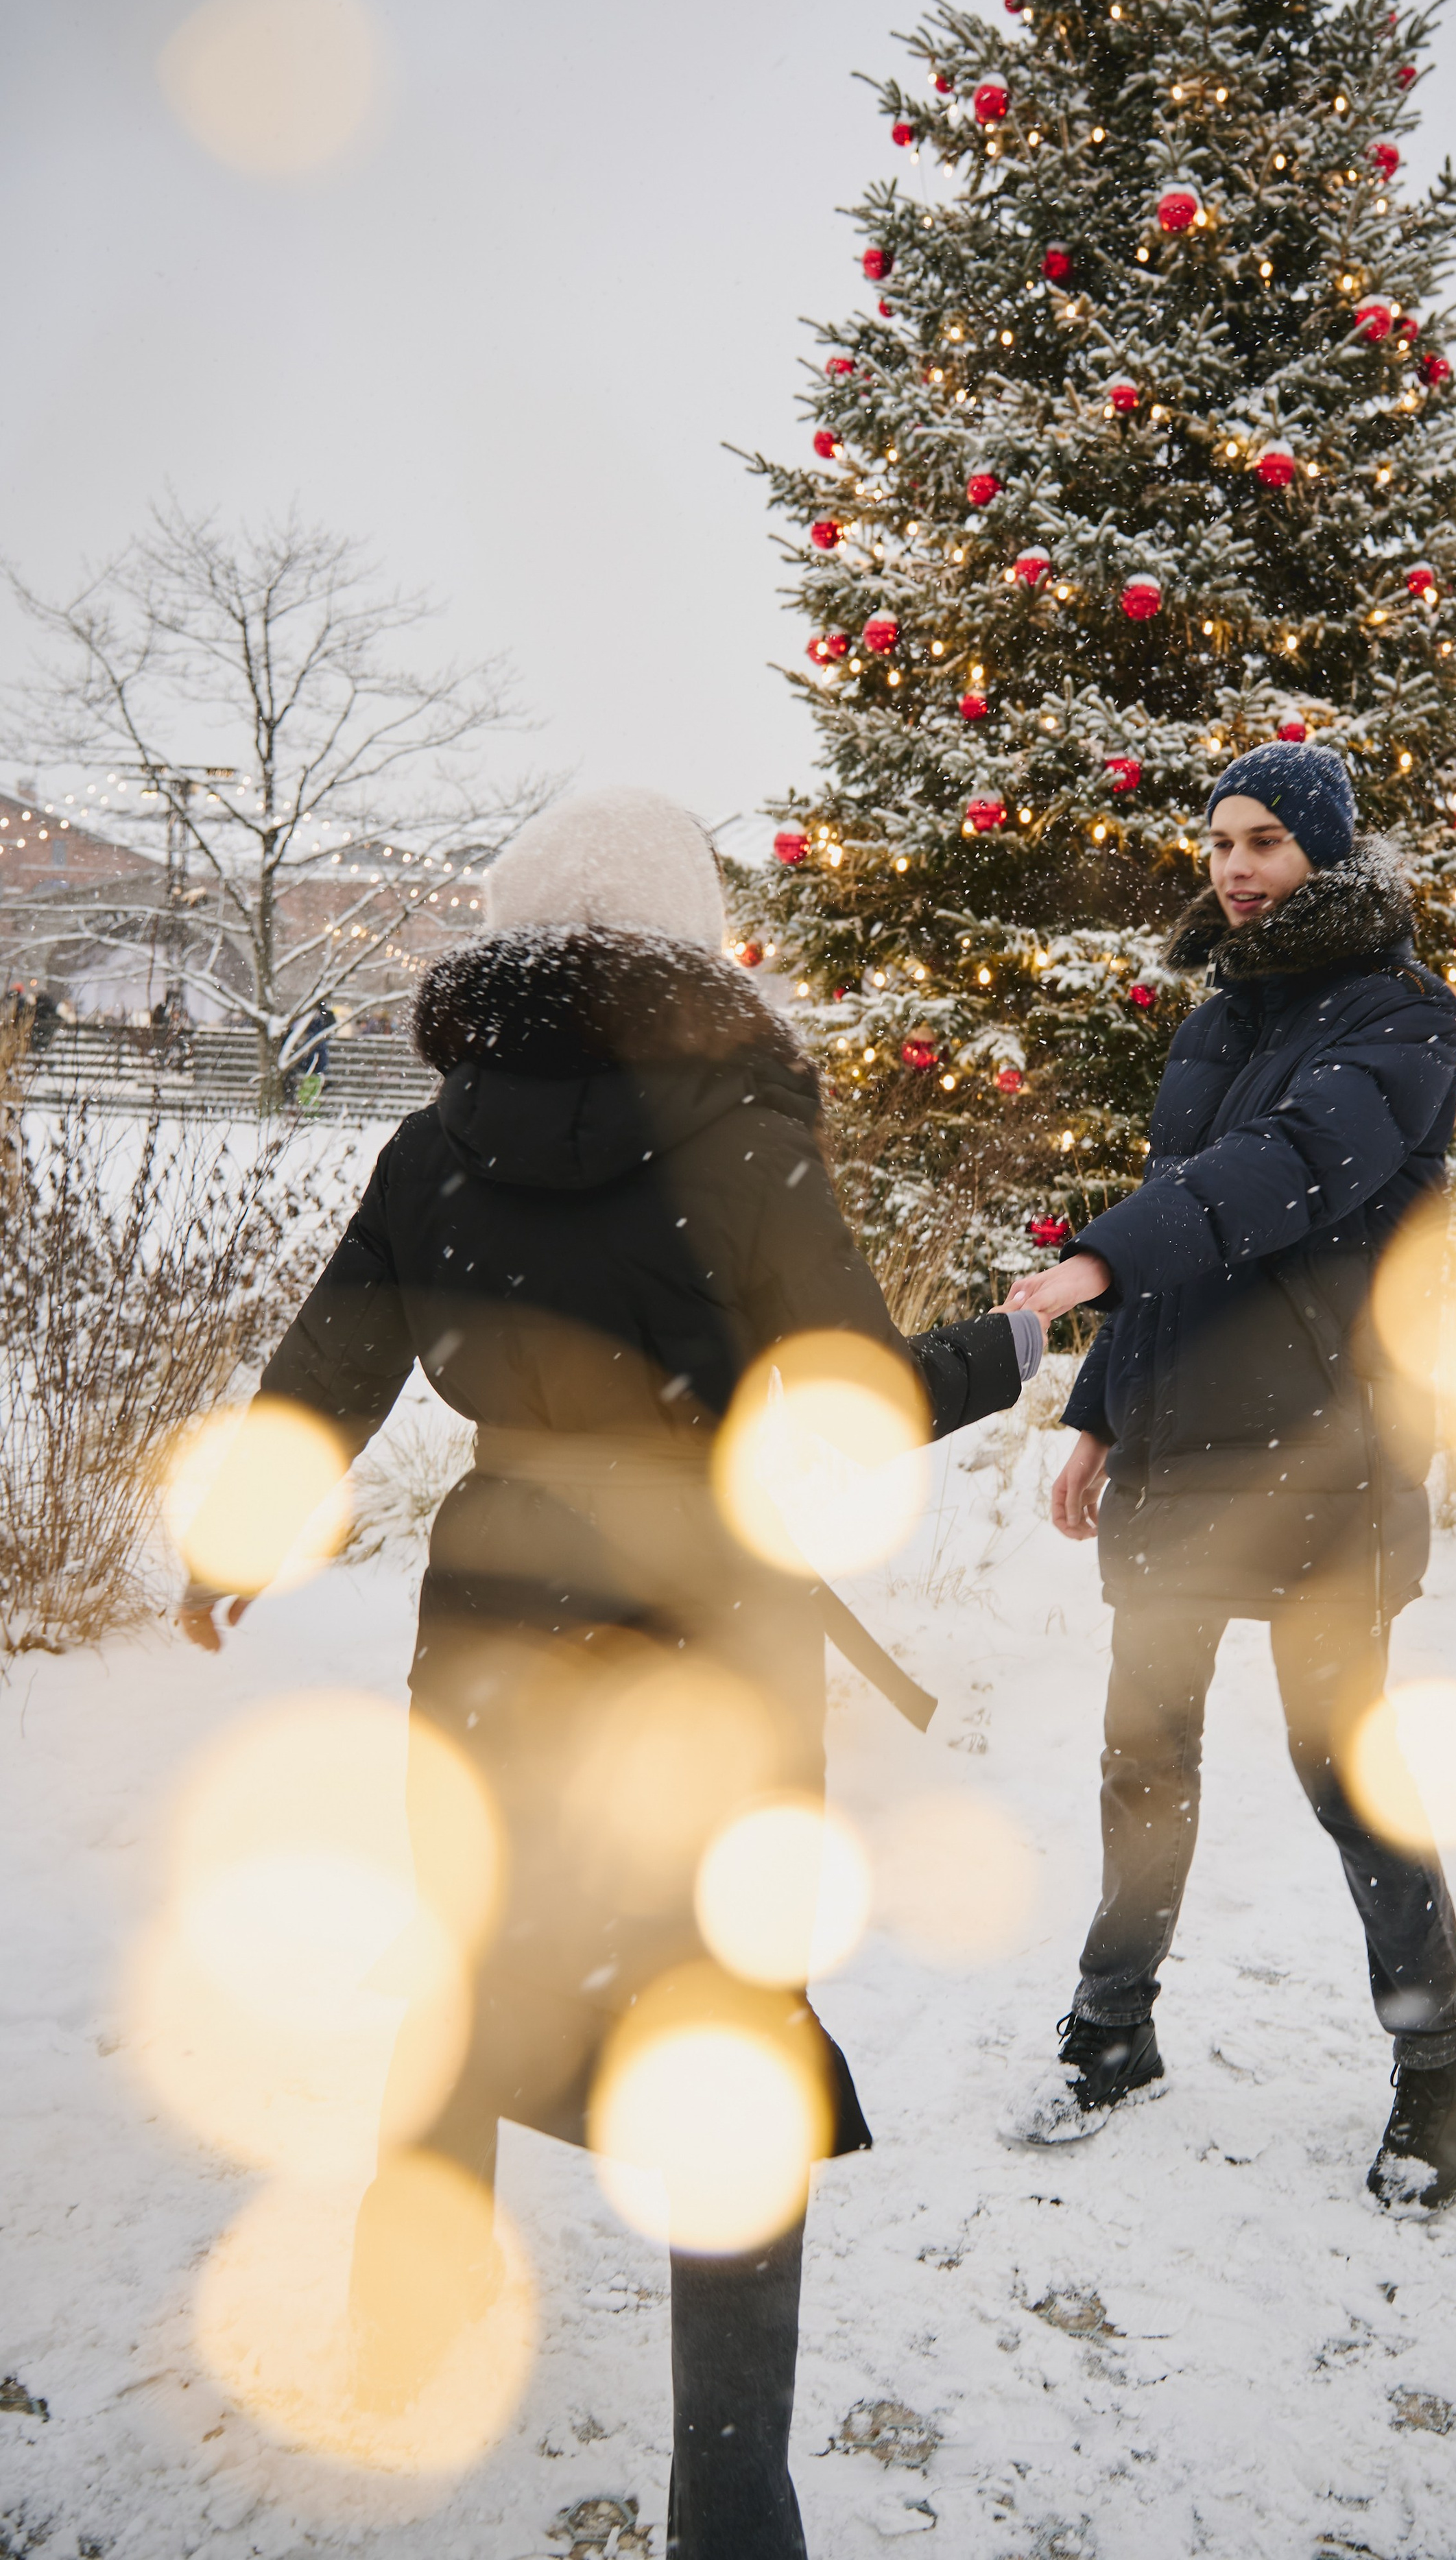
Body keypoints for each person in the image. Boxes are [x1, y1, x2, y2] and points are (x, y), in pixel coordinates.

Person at [178, 787, 1039, 2555]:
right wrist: (1013, 1346)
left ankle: (402, 2320)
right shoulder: (741, 1147)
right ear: (691, 946)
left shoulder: (432, 1147)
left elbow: (330, 1361)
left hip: (490, 1617)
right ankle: (728, 2507)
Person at [1003, 744, 1456, 2212]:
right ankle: (1110, 2033)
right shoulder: (1218, 1020)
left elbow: (1288, 1172)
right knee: (1140, 1754)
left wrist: (1093, 1253)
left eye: (1267, 843)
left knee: (1343, 1772)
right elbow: (1190, 1242)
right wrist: (1098, 1413)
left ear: (1327, 860)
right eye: (1219, 841)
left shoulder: (1401, 1017)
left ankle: (1441, 2065)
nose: (1232, 867)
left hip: (1322, 1458)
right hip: (1177, 1454)